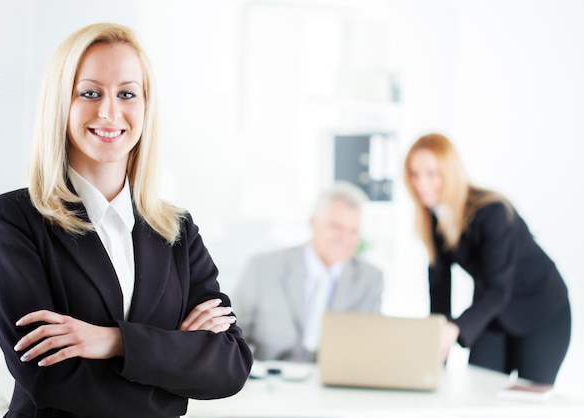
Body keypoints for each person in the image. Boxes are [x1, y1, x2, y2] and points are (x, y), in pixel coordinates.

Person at [0, 23, 252, 418]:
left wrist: (112, 342)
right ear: (61, 103)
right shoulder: (15, 218)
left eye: (127, 94)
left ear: (146, 106)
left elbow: (230, 366)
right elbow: (49, 379)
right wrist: (174, 362)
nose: (109, 111)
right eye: (90, 93)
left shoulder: (176, 229)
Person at [403, 133, 571, 386]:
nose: (421, 183)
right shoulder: (433, 223)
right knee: (479, 391)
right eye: (414, 174)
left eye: (431, 173)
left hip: (541, 309)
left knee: (528, 399)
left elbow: (500, 287)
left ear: (450, 172)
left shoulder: (492, 211)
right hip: (494, 313)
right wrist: (435, 348)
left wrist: (455, 329)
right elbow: (439, 294)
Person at [232, 181, 384, 362]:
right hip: (272, 381)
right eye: (336, 227)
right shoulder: (262, 268)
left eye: (353, 231)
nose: (345, 239)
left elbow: (371, 345)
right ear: (313, 223)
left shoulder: (370, 279)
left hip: (337, 383)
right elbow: (231, 336)